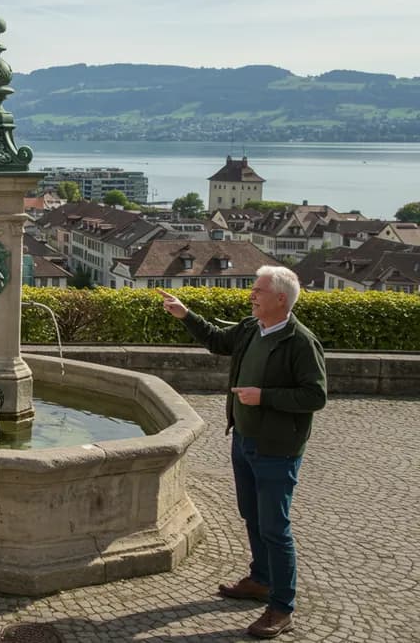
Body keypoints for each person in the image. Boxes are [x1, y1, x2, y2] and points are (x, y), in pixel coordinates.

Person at [157, 266, 326, 640]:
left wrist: (264, 397)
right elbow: (218, 340)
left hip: (277, 448)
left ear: (281, 299)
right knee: (251, 515)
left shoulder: (301, 342)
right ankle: (261, 579)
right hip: (245, 440)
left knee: (275, 528)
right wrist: (186, 315)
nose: (252, 295)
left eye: (259, 291)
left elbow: (316, 396)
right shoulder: (252, 329)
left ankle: (282, 607)